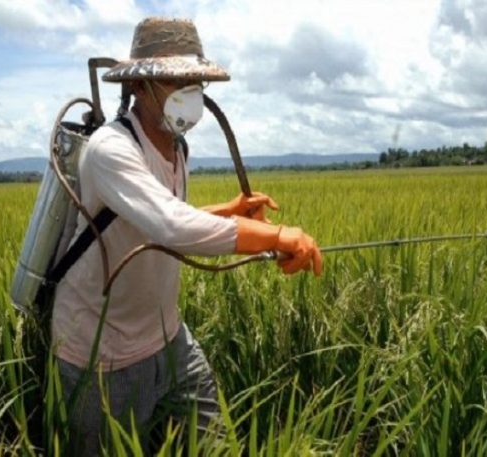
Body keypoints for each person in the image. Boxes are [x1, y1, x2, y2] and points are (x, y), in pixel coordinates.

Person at [50, 16, 323, 456]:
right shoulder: (111, 150)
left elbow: (161, 217)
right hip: (102, 355)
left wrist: (228, 212)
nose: (190, 90)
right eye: (176, 79)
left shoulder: (176, 145)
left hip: (168, 337)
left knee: (214, 444)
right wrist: (273, 236)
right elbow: (171, 225)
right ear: (139, 87)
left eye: (194, 79)